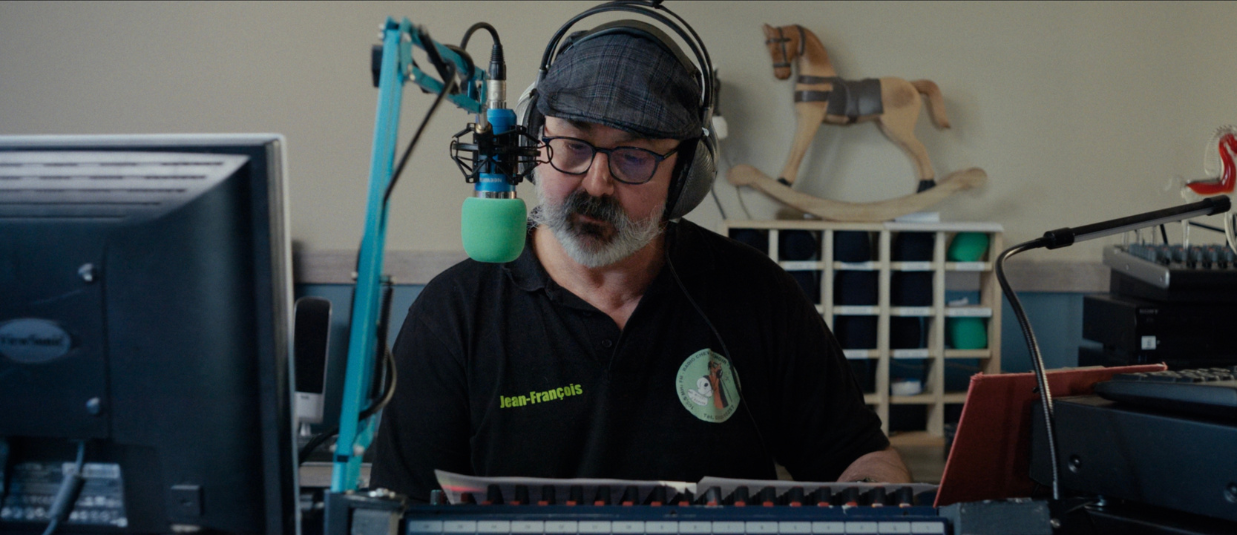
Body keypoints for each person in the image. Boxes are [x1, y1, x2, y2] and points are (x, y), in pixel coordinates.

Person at [369, 11, 910, 502]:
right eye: (573, 146)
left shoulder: (759, 293)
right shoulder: (453, 315)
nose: (596, 184)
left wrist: (872, 500)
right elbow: (402, 505)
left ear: (686, 176)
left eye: (633, 156)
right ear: (533, 143)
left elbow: (861, 458)